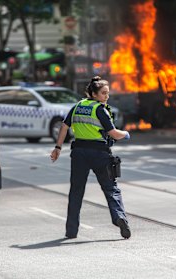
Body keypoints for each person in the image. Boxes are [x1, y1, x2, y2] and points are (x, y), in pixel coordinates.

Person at [50, 76, 131, 239]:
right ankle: (119, 218)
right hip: (100, 154)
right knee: (111, 188)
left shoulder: (77, 107)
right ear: (93, 94)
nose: (106, 97)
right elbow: (114, 133)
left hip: (79, 153)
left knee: (76, 191)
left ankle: (71, 231)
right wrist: (126, 134)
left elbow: (64, 127)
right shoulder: (100, 110)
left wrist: (58, 147)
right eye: (103, 93)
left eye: (107, 93)